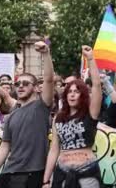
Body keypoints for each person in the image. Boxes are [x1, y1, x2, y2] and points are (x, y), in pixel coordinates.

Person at [0, 41, 55, 188]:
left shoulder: (41, 107)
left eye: (26, 83)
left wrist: (46, 53)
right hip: (8, 173)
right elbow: (5, 147)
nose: (20, 86)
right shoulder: (11, 115)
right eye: (18, 84)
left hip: (33, 173)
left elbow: (49, 80)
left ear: (37, 88)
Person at [42, 46, 102, 188]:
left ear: (83, 95)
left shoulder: (90, 113)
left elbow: (97, 85)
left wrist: (91, 59)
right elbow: (54, 149)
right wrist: (46, 180)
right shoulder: (59, 118)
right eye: (69, 92)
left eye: (76, 91)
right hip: (62, 172)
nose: (72, 94)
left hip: (87, 172)